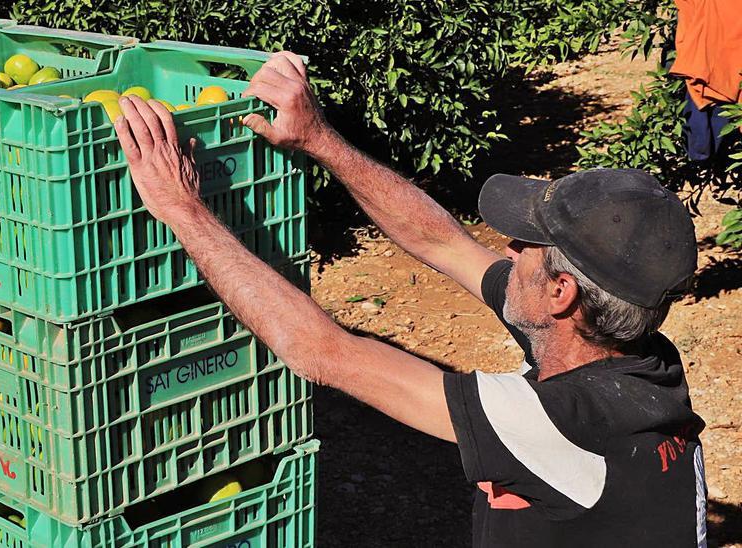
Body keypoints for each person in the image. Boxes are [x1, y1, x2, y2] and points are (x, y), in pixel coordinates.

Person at [112, 52, 707, 546]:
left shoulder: (560, 420)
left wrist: (180, 208)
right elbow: (444, 243)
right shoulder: (636, 354)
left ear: (561, 292)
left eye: (526, 243)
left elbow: (322, 351)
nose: (506, 246)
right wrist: (319, 138)